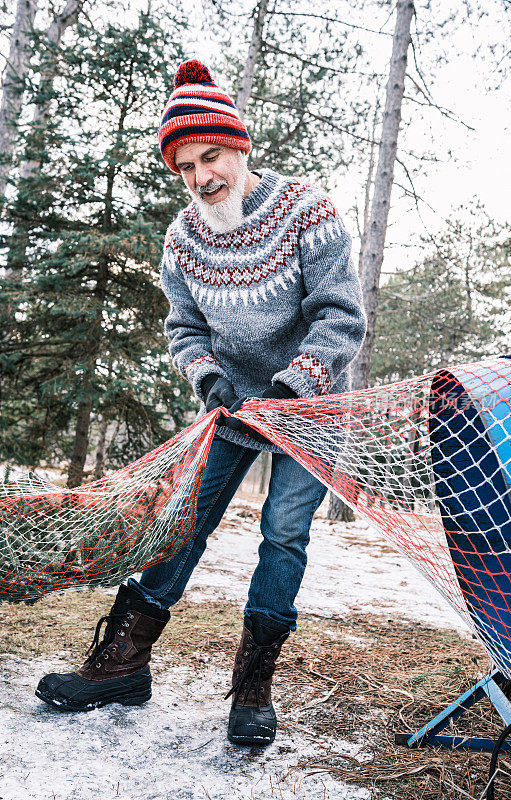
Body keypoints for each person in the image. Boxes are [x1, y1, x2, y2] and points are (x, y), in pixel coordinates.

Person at [35, 59, 366, 747]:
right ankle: (121, 664)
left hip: (311, 410)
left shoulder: (307, 208)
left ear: (240, 147)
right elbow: (182, 327)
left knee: (282, 534)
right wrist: (209, 379)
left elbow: (340, 316)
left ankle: (252, 686)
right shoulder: (182, 237)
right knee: (179, 522)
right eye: (184, 167)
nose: (200, 176)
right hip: (230, 409)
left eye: (210, 156)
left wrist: (291, 387)